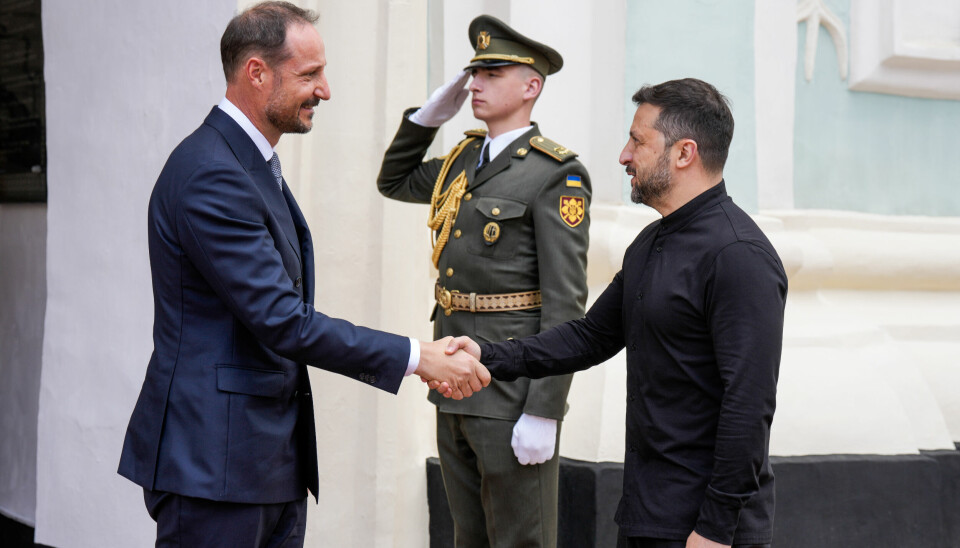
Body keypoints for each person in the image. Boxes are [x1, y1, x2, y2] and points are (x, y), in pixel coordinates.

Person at [117, 3, 488, 547]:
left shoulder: (246, 162)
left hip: (262, 463)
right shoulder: (211, 174)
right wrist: (417, 357)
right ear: (256, 73)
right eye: (309, 74)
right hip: (215, 467)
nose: (325, 90)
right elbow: (282, 320)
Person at [445, 78, 787, 548]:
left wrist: (715, 528)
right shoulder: (650, 242)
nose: (624, 155)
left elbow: (749, 406)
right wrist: (485, 355)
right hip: (647, 512)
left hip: (707, 528)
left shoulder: (739, 255)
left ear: (684, 153)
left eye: (638, 141)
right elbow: (589, 337)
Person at [376, 14, 591, 548]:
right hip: (452, 382)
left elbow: (566, 303)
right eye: (474, 73)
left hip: (511, 392)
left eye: (493, 72)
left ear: (531, 86)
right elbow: (393, 180)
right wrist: (429, 116)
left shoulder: (555, 174)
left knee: (520, 539)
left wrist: (544, 409)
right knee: (466, 538)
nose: (475, 84)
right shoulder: (461, 160)